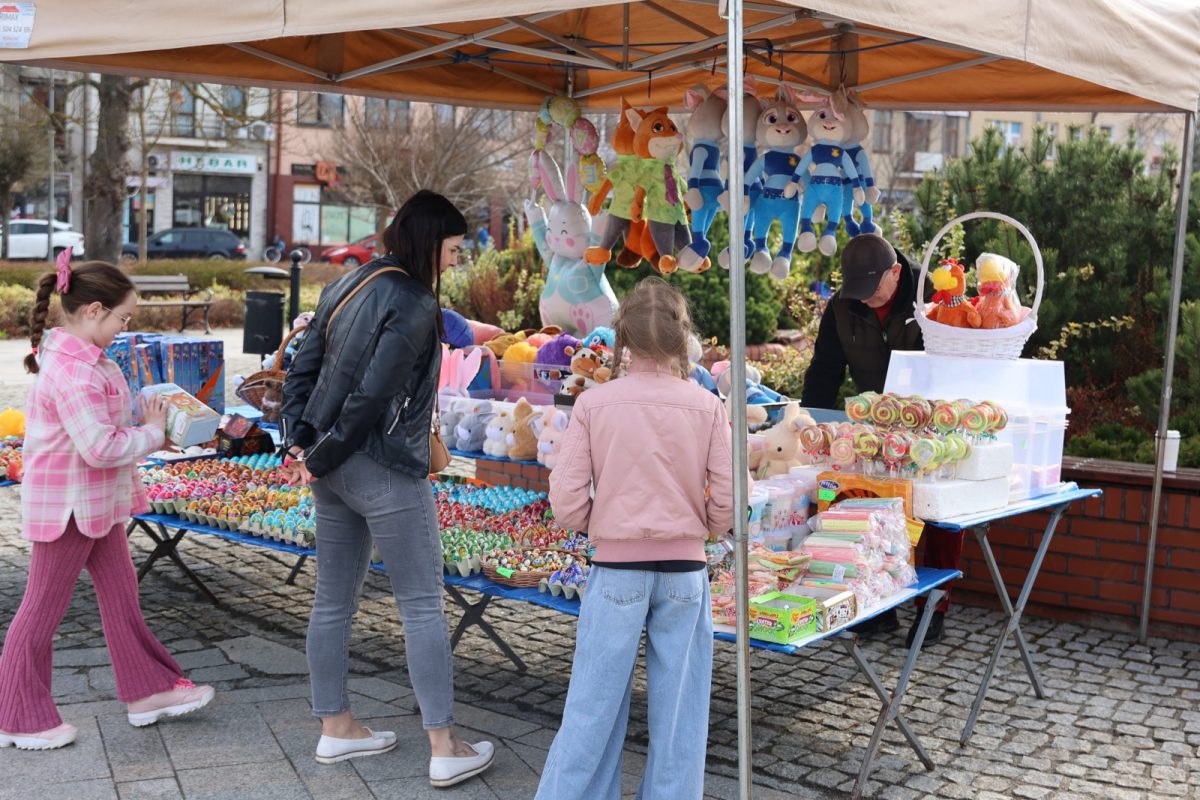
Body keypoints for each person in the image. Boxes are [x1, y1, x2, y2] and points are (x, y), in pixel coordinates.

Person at [278, 190, 494, 785]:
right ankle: (445, 744)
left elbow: (302, 364)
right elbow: (373, 395)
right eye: (453, 249)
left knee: (332, 601)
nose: (456, 260)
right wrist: (318, 452)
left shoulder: (351, 281)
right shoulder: (414, 301)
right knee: (422, 603)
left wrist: (302, 442)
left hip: (334, 466)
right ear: (428, 242)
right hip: (382, 467)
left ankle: (337, 729)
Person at [0, 255, 214, 751]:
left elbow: (104, 431)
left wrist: (149, 423)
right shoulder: (75, 371)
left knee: (121, 596)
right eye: (124, 318)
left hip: (93, 504)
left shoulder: (86, 358)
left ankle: (148, 690)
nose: (126, 327)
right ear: (94, 310)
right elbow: (99, 447)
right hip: (69, 508)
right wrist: (153, 433)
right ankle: (17, 715)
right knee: (40, 611)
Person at [536, 277, 738, 800]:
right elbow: (730, 498)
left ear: (621, 336)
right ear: (681, 336)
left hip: (616, 567)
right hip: (685, 571)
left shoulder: (595, 404)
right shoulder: (706, 405)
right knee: (680, 718)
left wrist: (595, 522)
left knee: (592, 709)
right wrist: (708, 527)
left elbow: (565, 498)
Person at [799, 234, 958, 646]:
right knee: (862, 508)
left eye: (873, 291)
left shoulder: (933, 294)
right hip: (874, 428)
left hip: (933, 426)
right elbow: (825, 370)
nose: (865, 299)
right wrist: (808, 426)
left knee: (935, 513)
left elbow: (959, 358)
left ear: (896, 273)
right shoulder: (843, 304)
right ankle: (878, 604)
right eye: (857, 291)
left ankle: (933, 607)